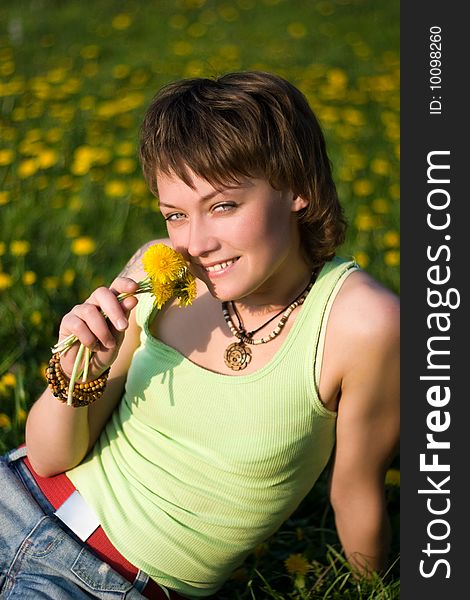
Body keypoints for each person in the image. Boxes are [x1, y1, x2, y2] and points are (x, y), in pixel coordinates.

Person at [0, 71, 399, 599]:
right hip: (15, 495)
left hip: (100, 586)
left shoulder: (362, 322)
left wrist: (378, 589)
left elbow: (355, 493)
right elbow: (50, 458)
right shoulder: (158, 271)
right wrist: (82, 368)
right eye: (175, 214)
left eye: (223, 206)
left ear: (299, 187)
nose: (195, 242)